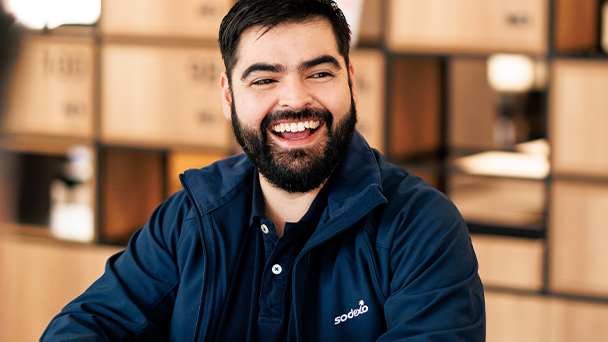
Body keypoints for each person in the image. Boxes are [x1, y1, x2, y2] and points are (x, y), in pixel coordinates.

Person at [41, 0, 485, 341]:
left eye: (319, 74)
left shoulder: (422, 226)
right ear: (227, 95)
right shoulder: (189, 218)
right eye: (263, 79)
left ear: (350, 80)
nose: (294, 100)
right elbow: (84, 325)